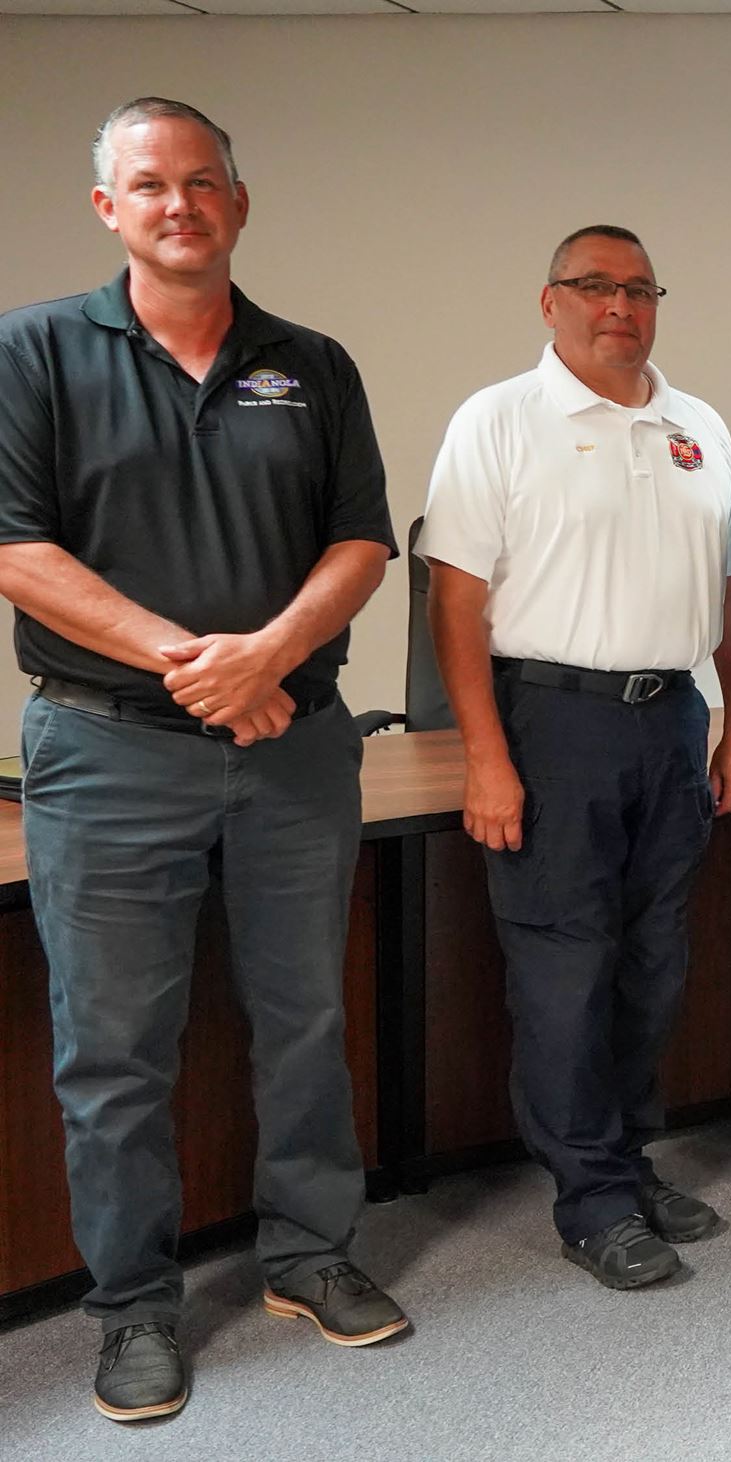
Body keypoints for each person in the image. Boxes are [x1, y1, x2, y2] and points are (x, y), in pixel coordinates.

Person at [0, 98, 406, 1422]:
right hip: (107, 751)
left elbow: (359, 542)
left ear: (240, 202)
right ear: (109, 207)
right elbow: (18, 550)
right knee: (115, 1048)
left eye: (203, 183)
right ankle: (132, 1309)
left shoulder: (311, 362)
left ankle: (308, 1254)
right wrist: (200, 660)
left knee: (305, 1019)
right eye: (150, 184)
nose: (181, 204)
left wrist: (268, 656)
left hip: (292, 747)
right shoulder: (36, 352)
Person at [420, 225, 731, 1289]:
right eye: (593, 286)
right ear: (548, 300)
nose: (618, 304)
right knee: (564, 971)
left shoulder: (696, 425)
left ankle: (622, 1155)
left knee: (652, 964)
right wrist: (486, 754)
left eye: (638, 287)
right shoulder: (499, 419)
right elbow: (456, 602)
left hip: (669, 721)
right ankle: (591, 1199)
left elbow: (729, 598)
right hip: (551, 724)